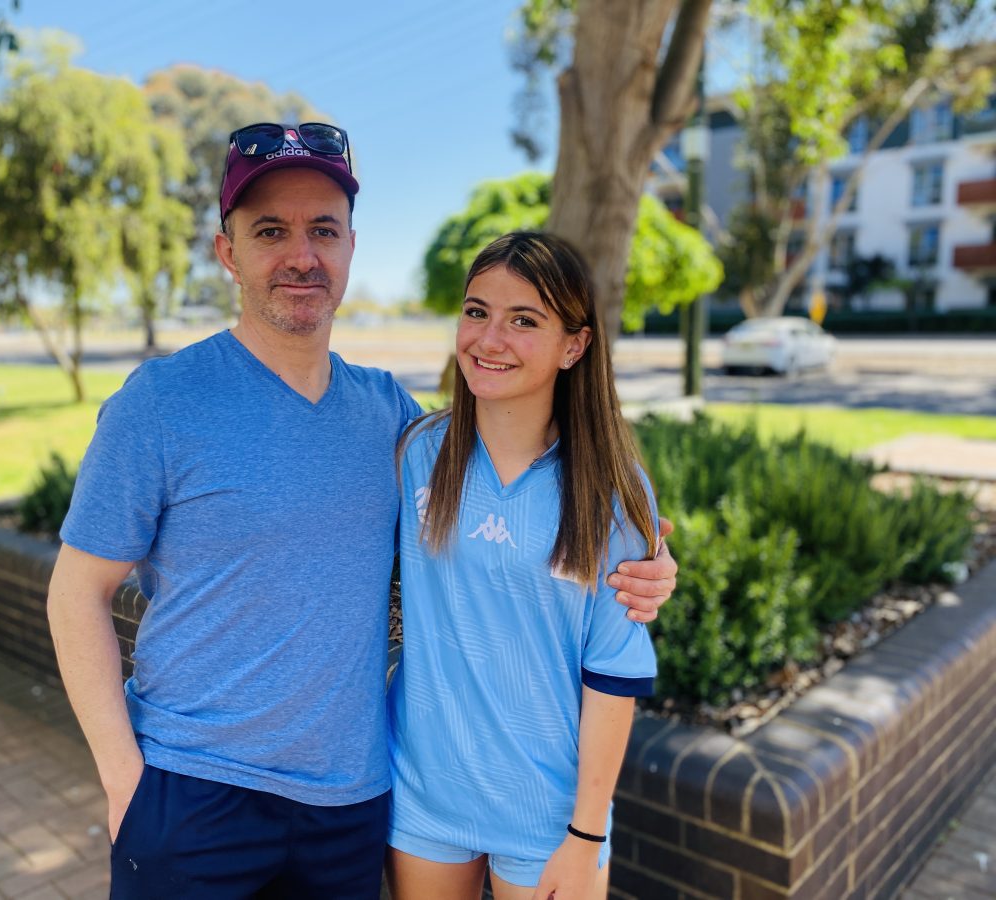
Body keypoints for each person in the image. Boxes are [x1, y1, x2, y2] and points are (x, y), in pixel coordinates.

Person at [46, 124, 677, 899]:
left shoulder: (394, 423)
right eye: (270, 231)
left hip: (350, 808)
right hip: (192, 795)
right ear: (227, 252)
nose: (301, 255)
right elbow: (77, 592)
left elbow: (517, 485)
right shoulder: (161, 403)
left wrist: (646, 569)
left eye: (323, 230)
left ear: (350, 248)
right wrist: (124, 782)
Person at [386, 232, 660, 900]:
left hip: (549, 816)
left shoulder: (610, 492)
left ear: (575, 345)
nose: (489, 338)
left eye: (524, 320)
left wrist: (587, 833)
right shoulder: (417, 453)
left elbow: (614, 673)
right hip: (424, 794)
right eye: (477, 312)